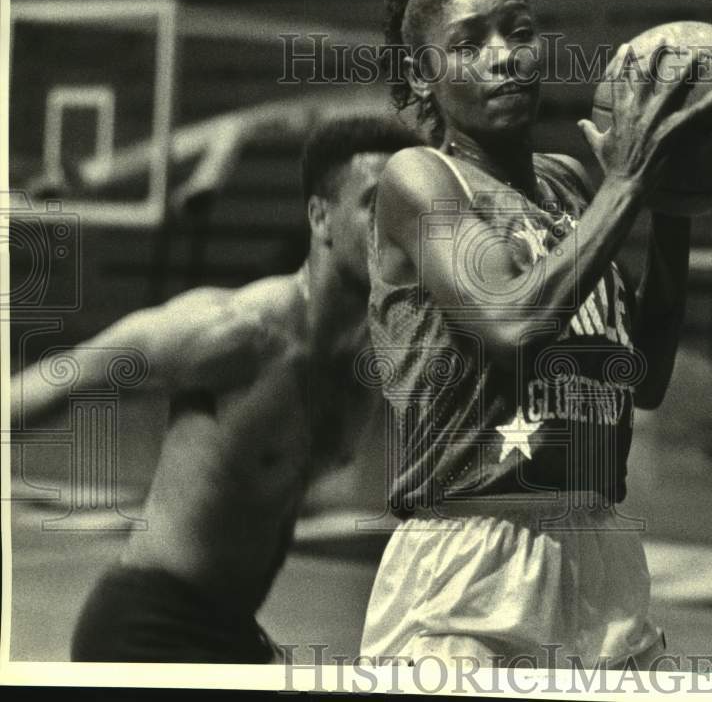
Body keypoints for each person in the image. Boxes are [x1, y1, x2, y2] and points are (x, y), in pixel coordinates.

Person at [360, 0, 712, 669]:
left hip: (600, 547)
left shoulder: (570, 187)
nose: (505, 54)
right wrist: (626, 188)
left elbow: (644, 378)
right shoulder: (420, 180)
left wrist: (674, 201)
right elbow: (510, 320)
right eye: (468, 42)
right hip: (470, 557)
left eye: (519, 31)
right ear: (423, 75)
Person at [11, 114, 421, 663]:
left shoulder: (374, 352)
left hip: (231, 634)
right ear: (320, 218)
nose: (394, 225)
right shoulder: (235, 335)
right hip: (146, 629)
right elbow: (52, 383)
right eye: (374, 203)